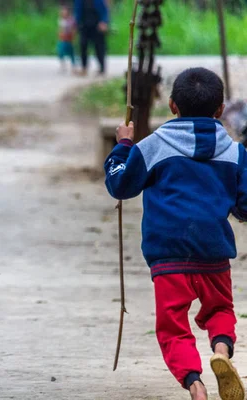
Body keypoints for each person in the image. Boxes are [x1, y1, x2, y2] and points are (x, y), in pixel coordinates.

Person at [104, 67, 245, 400]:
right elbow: (245, 206)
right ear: (221, 109)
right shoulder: (236, 153)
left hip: (167, 253)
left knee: (174, 328)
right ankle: (221, 353)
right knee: (220, 310)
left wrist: (123, 146)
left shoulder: (152, 147)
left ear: (171, 105)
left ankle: (196, 387)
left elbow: (119, 184)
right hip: (213, 249)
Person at [74, 0, 109, 76]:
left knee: (99, 47)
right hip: (84, 26)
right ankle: (84, 67)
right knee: (83, 45)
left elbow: (104, 12)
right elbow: (77, 12)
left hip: (97, 26)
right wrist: (75, 25)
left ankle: (102, 67)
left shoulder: (99, 1)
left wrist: (104, 22)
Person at [57, 5, 76, 72]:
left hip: (69, 38)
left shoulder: (71, 20)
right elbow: (60, 29)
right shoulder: (61, 20)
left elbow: (73, 29)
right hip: (62, 39)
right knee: (60, 52)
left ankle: (73, 66)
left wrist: (73, 37)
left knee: (71, 53)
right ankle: (63, 65)